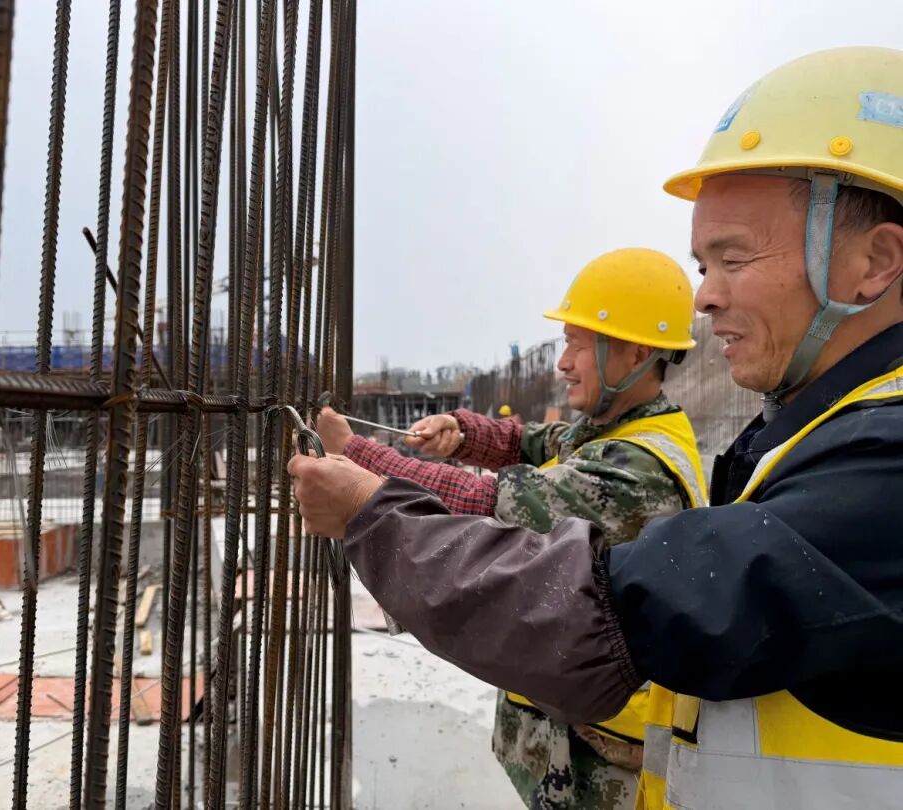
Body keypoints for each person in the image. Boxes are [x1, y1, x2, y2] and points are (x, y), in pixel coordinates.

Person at [289, 46, 903, 809]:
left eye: (733, 258)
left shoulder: (874, 467)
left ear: (874, 261)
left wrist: (368, 494)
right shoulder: (793, 436)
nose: (706, 298)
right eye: (702, 266)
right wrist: (467, 432)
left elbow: (552, 558)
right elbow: (532, 444)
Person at [316, 248, 706, 809]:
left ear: (637, 353)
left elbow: (484, 504)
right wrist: (463, 432)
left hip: (602, 765)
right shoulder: (622, 427)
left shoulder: (637, 470)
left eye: (578, 344)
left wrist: (358, 456)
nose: (563, 362)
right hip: (579, 731)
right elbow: (534, 441)